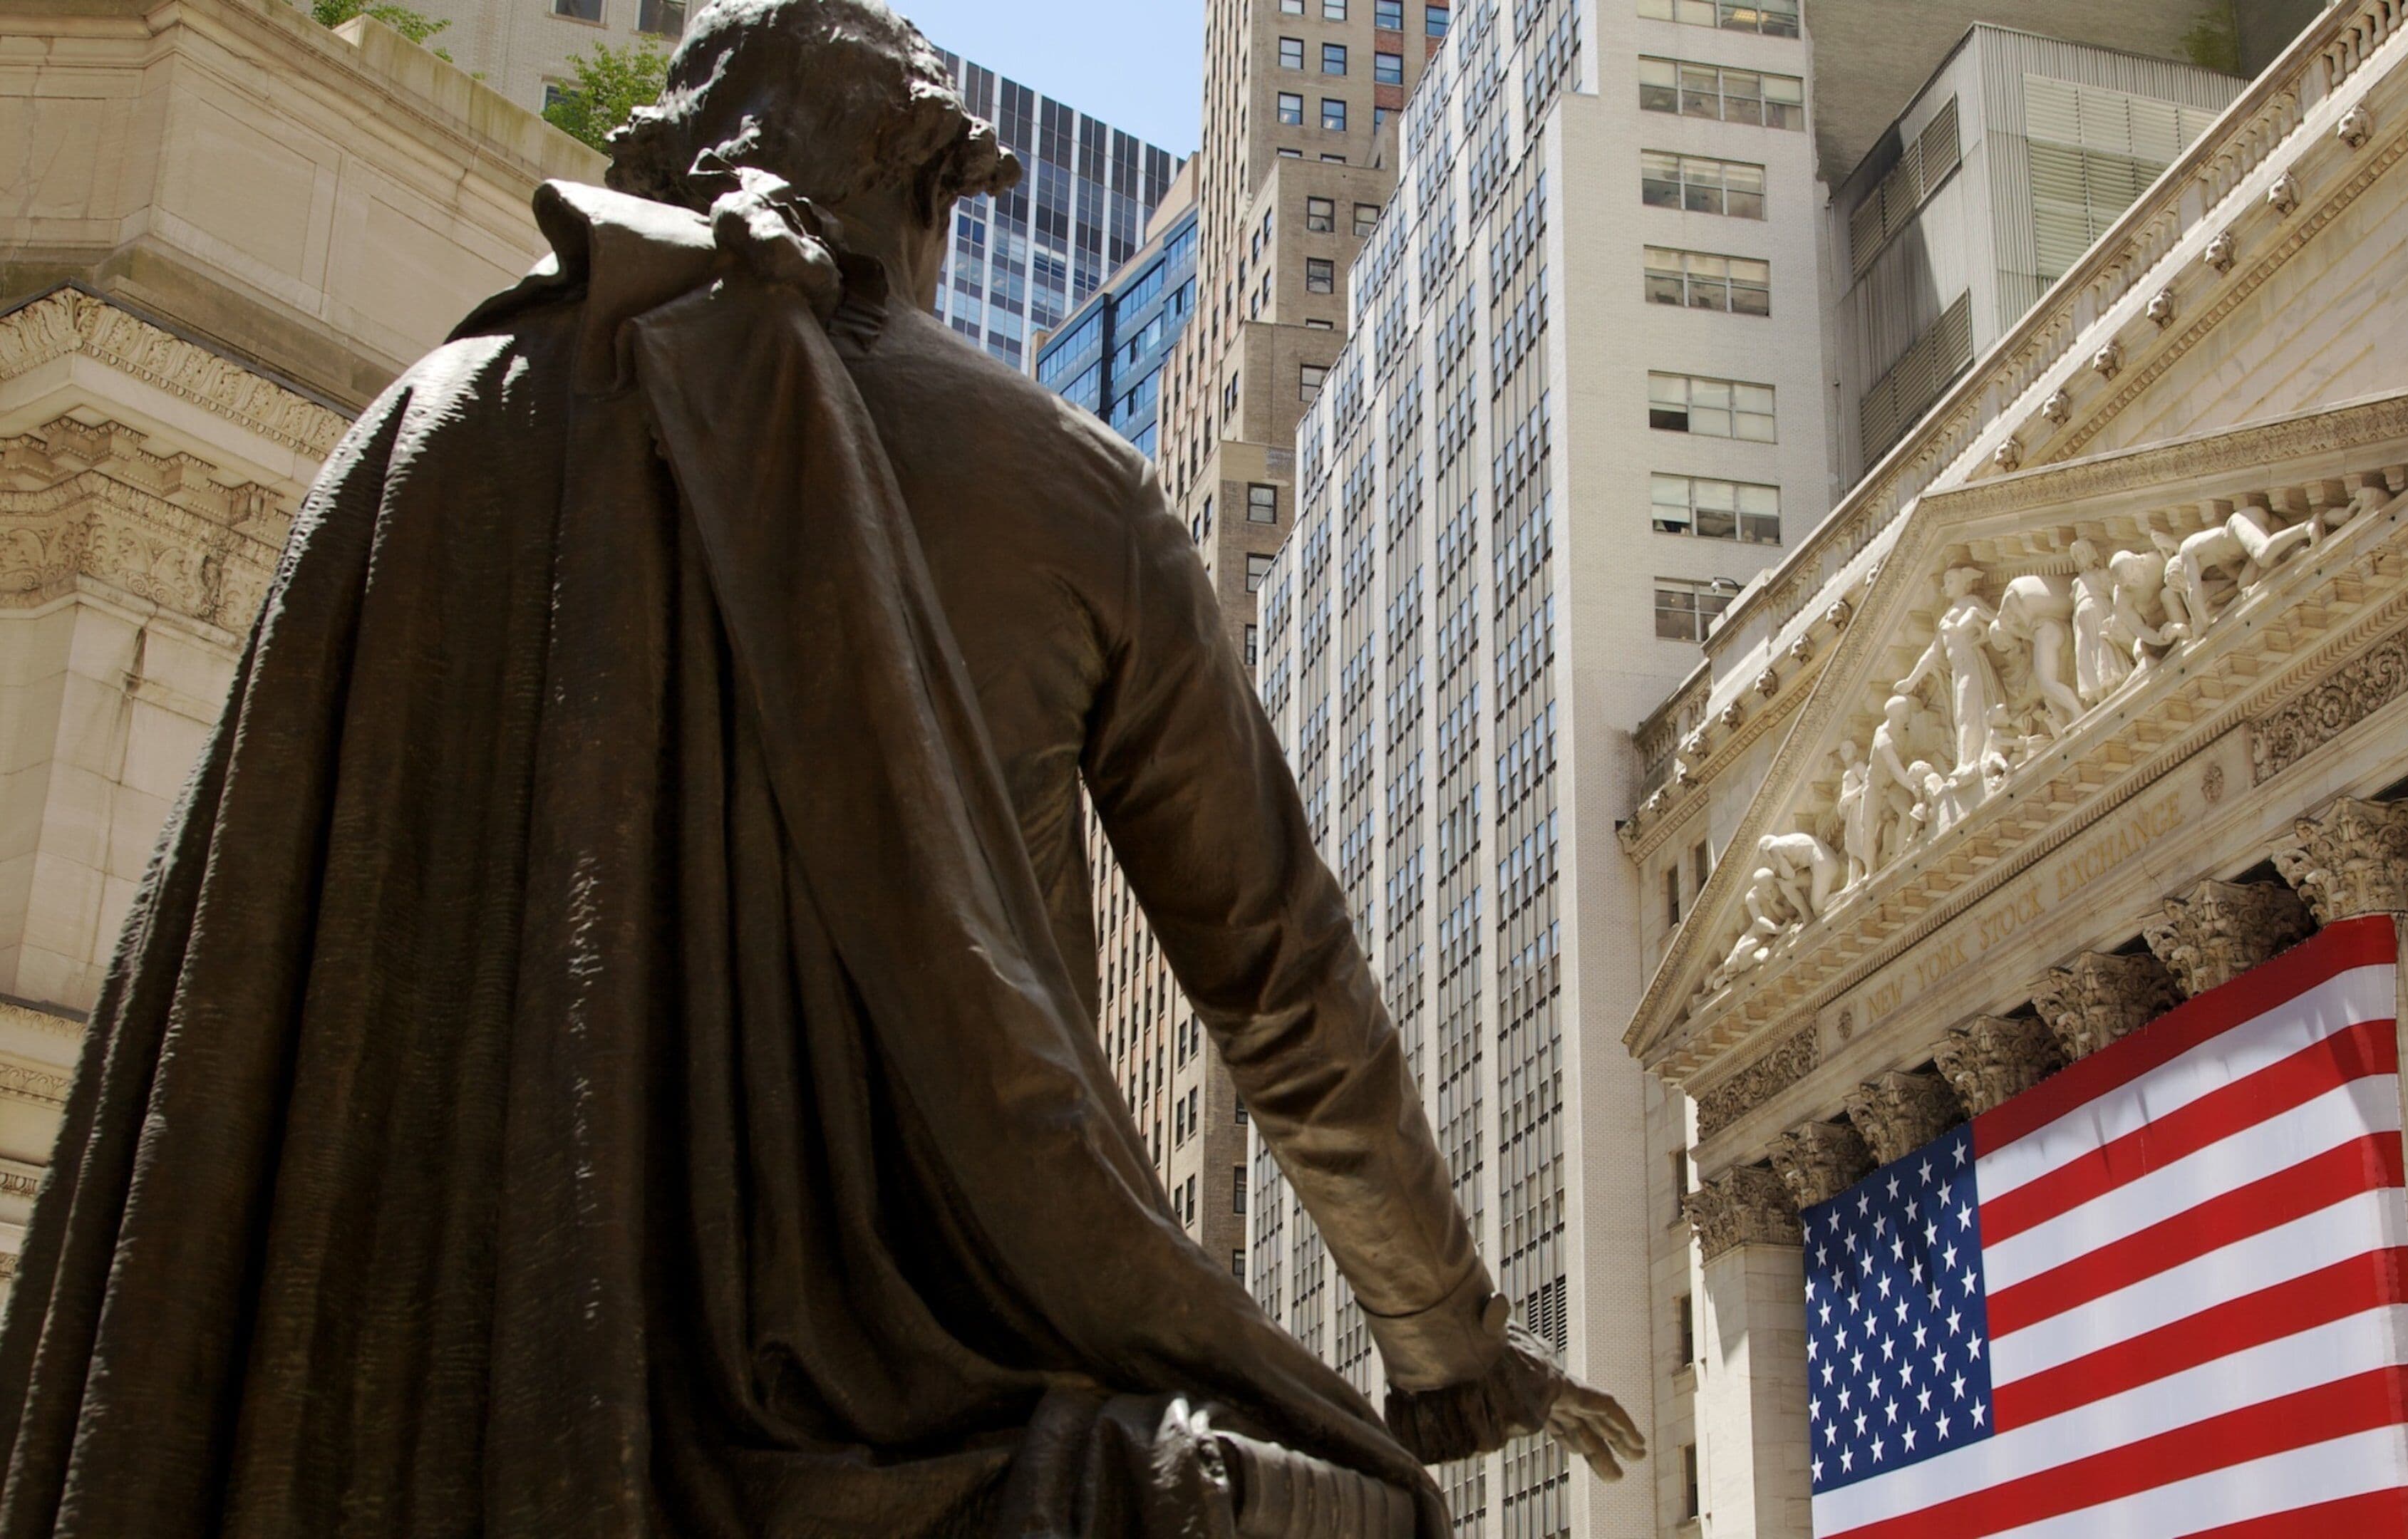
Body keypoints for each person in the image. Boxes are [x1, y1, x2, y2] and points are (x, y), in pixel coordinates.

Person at [0, 3, 1638, 1535]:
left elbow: (229, 969)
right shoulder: (1071, 485)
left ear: (673, 158)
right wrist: (1445, 1349)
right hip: (947, 1375)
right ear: (925, 193)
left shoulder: (436, 417)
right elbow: (1279, 978)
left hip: (450, 1361)